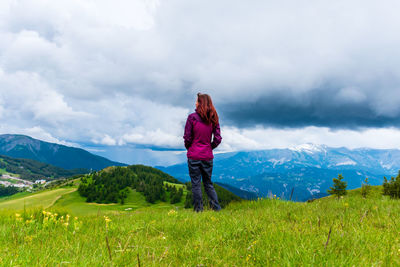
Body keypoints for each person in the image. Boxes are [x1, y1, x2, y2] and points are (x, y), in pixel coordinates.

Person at [183, 93, 222, 212]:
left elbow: (187, 137)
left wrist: (190, 148)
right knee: (208, 183)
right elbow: (218, 138)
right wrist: (209, 148)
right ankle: (216, 209)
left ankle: (199, 211)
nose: (195, 103)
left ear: (200, 103)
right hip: (207, 156)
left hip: (194, 156)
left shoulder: (192, 118)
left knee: (196, 184)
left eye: (196, 101)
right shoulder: (213, 118)